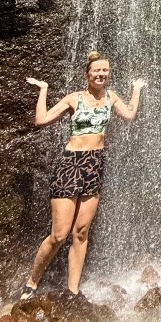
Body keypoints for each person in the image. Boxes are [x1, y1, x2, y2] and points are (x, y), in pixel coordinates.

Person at [21, 51, 145, 299]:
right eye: (97, 71)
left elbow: (130, 115)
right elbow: (41, 119)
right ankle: (32, 281)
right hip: (70, 164)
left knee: (81, 232)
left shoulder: (111, 97)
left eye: (105, 71)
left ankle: (72, 290)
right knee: (59, 234)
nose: (101, 74)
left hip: (95, 164)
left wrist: (136, 89)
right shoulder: (73, 99)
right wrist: (43, 90)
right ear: (87, 75)